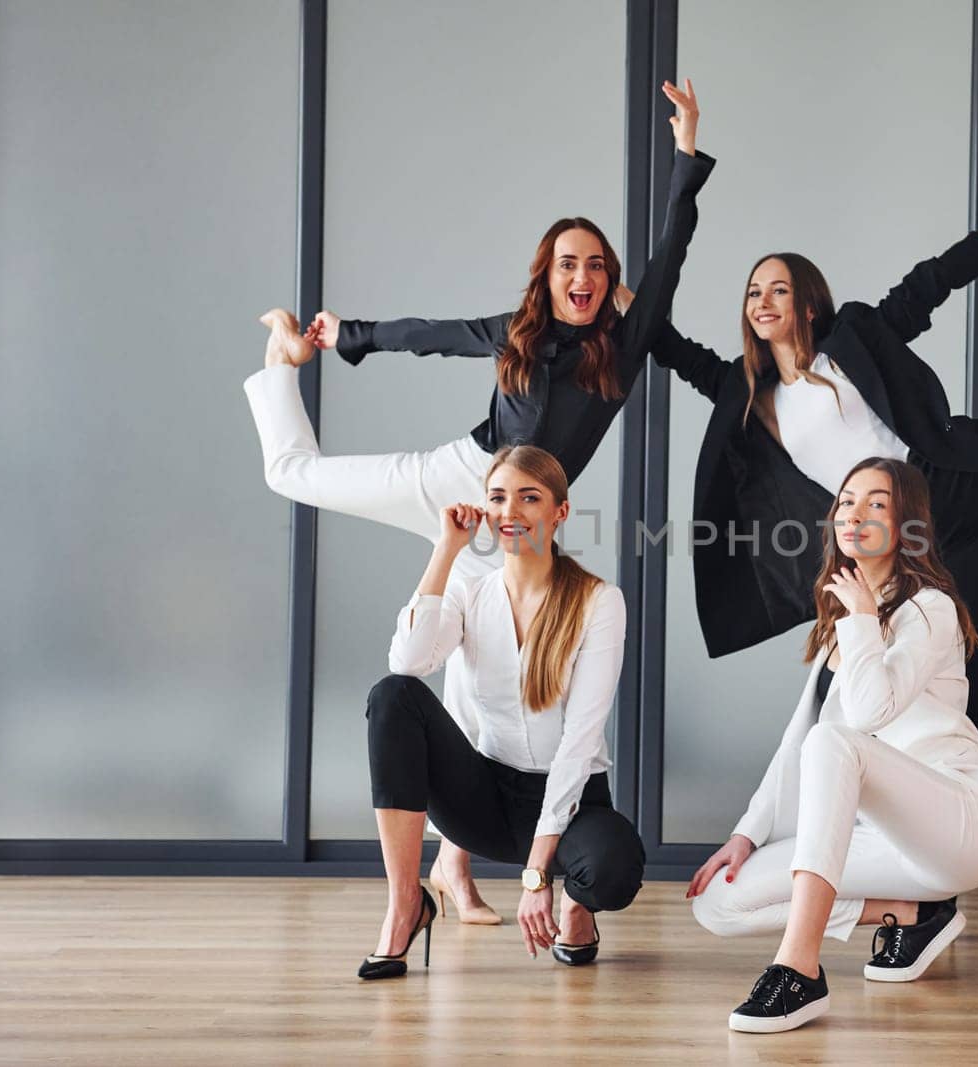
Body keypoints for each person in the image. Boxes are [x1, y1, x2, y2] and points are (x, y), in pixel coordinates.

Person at [248, 79, 707, 918]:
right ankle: (278, 362)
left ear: (609, 284)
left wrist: (686, 156)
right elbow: (431, 335)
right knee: (294, 475)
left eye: (597, 265)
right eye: (569, 262)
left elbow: (670, 260)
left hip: (519, 513)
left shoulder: (623, 346)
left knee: (486, 668)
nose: (584, 275)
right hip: (459, 479)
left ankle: (452, 868)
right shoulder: (517, 332)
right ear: (549, 274)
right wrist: (341, 336)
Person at [649, 163, 978, 733]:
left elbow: (931, 281)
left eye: (778, 290)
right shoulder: (754, 399)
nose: (762, 302)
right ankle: (955, 813)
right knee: (960, 679)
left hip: (957, 476)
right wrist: (629, 304)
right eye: (753, 293)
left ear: (809, 305)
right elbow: (671, 348)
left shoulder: (851, 340)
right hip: (910, 535)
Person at [687, 457, 978, 1032]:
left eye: (877, 503)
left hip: (963, 826)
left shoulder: (928, 609)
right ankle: (914, 915)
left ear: (908, 524)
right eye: (845, 501)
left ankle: (799, 969)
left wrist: (863, 618)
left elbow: (866, 715)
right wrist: (744, 835)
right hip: (883, 845)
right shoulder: (842, 622)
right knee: (718, 901)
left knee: (835, 742)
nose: (854, 513)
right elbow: (797, 747)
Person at [358, 445, 640, 979]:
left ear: (560, 511)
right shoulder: (470, 592)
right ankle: (405, 905)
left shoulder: (600, 601)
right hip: (484, 801)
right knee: (392, 695)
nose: (510, 512)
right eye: (498, 498)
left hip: (573, 803)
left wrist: (538, 876)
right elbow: (408, 661)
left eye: (528, 498)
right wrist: (446, 549)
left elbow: (580, 740)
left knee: (614, 871)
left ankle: (577, 907)